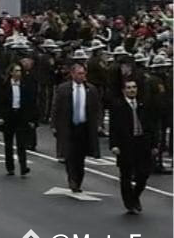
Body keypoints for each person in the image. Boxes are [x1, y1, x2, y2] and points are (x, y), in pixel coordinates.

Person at [52, 63, 102, 193]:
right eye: (79, 73)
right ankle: (72, 179)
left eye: (83, 73)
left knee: (80, 157)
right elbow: (56, 108)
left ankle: (78, 180)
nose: (82, 76)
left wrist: (98, 124)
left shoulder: (91, 89)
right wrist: (54, 125)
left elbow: (97, 109)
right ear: (72, 74)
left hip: (84, 127)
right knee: (69, 155)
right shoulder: (63, 89)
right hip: (69, 127)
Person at [109, 79, 157, 214]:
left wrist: (154, 144)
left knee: (143, 174)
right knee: (126, 175)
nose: (132, 90)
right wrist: (114, 145)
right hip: (126, 144)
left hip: (142, 143)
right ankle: (129, 203)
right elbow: (113, 127)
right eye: (129, 88)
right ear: (124, 90)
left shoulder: (143, 104)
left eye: (134, 87)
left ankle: (135, 196)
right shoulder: (118, 106)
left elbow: (151, 125)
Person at [0, 63, 37, 176]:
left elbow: (30, 102)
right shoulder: (4, 85)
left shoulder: (25, 85)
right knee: (8, 143)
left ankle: (23, 166)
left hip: (20, 116)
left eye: (20, 71)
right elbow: (0, 102)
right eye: (16, 71)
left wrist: (32, 119)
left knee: (21, 143)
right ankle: (10, 167)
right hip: (9, 116)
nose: (19, 73)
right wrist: (0, 116)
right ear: (11, 73)